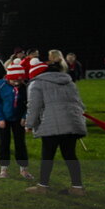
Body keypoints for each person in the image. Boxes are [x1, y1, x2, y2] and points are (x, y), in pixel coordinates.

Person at [26, 53, 87, 195]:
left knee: (47, 155)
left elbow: (34, 106)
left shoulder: (37, 83)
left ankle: (43, 186)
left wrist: (29, 124)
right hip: (72, 122)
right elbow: (80, 105)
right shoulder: (69, 82)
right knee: (70, 154)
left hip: (51, 123)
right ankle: (77, 187)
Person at [0, 61, 34, 180]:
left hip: (19, 119)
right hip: (3, 119)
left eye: (19, 81)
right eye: (14, 80)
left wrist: (25, 117)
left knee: (20, 143)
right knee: (4, 143)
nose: (16, 83)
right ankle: (4, 168)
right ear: (8, 77)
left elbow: (29, 104)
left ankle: (23, 169)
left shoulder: (25, 87)